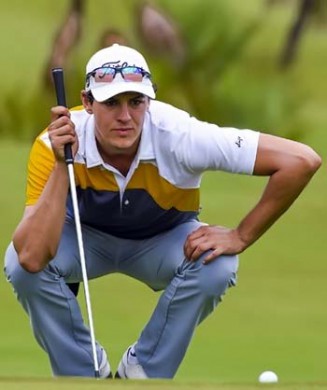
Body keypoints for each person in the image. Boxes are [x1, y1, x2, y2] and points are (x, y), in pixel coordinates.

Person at [4, 43, 321, 379]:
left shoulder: (180, 135)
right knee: (19, 263)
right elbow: (32, 257)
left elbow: (301, 160)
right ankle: (81, 374)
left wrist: (241, 235)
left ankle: (143, 373)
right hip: (84, 240)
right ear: (87, 103)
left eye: (136, 102)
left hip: (162, 240)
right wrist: (59, 164)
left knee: (218, 264)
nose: (125, 116)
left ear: (149, 101)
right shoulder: (51, 144)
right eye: (111, 103)